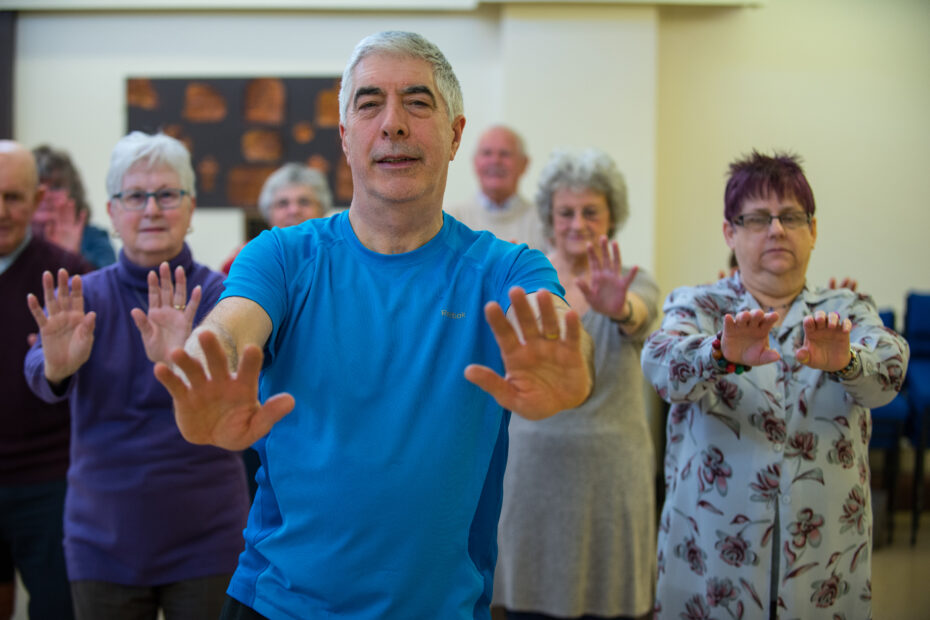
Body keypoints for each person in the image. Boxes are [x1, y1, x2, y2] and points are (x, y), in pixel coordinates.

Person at [153, 31, 594, 620]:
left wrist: (572, 365)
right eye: (369, 104)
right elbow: (233, 329)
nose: (392, 124)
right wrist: (213, 361)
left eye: (417, 102)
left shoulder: (505, 267)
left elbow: (558, 328)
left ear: (455, 133)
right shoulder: (283, 256)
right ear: (345, 137)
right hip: (280, 604)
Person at [640, 150, 908, 619]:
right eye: (758, 218)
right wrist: (719, 354)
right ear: (730, 232)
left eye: (791, 217)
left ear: (813, 230)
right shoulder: (699, 306)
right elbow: (660, 364)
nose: (777, 229)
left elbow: (888, 376)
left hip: (824, 559)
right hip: (714, 557)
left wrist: (846, 362)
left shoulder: (846, 309)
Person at [24, 131, 249, 620]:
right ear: (111, 209)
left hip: (206, 533)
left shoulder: (222, 294)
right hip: (102, 535)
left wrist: (183, 362)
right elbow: (40, 367)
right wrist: (57, 367)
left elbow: (243, 388)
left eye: (167, 195)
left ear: (190, 209)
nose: (151, 210)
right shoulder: (80, 293)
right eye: (135, 196)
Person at [494, 148, 658, 620]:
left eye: (591, 211)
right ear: (549, 216)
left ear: (612, 217)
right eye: (566, 212)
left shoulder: (634, 281)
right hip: (531, 471)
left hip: (612, 476)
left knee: (610, 604)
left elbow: (640, 317)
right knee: (528, 605)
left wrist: (619, 307)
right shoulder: (521, 280)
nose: (577, 223)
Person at [1, 140, 88, 620]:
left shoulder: (71, 275)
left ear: (37, 201)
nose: (0, 211)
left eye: (13, 197)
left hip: (49, 485)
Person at [445, 125, 548, 249]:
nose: (495, 161)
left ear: (524, 163)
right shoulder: (451, 219)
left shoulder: (543, 222)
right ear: (475, 162)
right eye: (487, 153)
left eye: (505, 154)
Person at [220, 162, 333, 274]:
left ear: (322, 208)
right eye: (283, 203)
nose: (293, 210)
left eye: (304, 202)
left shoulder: (340, 254)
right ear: (268, 212)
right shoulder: (246, 258)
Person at [32, 144, 117, 269]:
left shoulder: (95, 239)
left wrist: (71, 257)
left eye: (56, 187)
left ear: (73, 193)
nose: (46, 195)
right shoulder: (13, 240)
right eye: (38, 186)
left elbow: (108, 285)